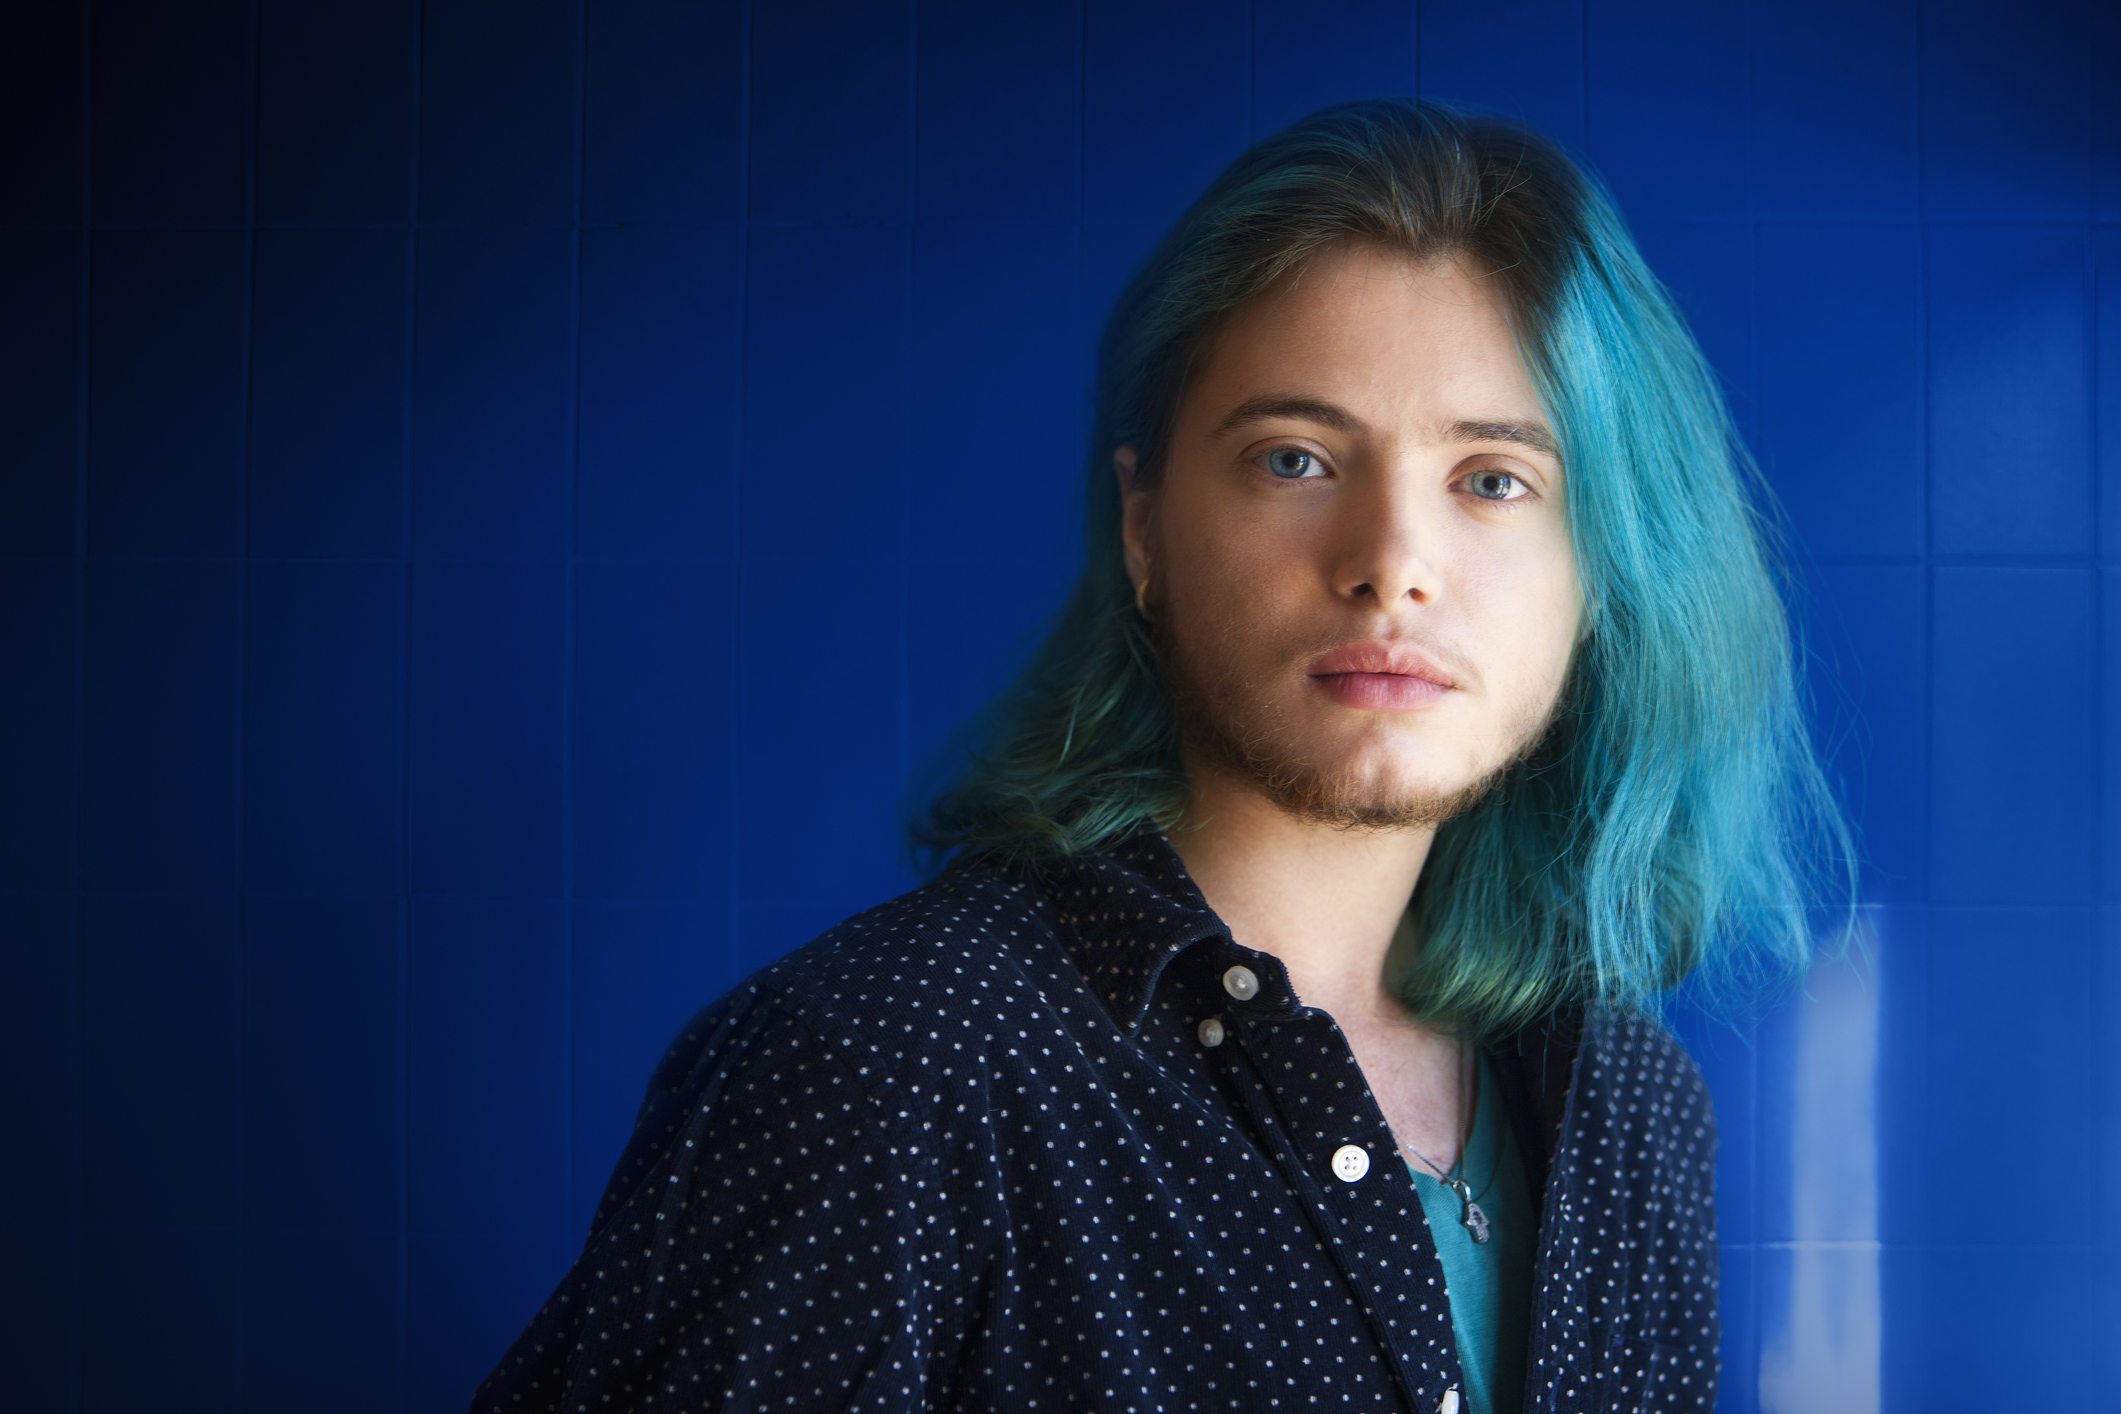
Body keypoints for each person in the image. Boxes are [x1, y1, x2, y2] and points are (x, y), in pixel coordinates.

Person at [476, 98, 1848, 1414]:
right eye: (1294, 459)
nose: (1388, 566)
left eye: (1492, 479)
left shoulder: (1632, 1108)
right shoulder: (884, 1070)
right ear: (1143, 525)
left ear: (1603, 571)